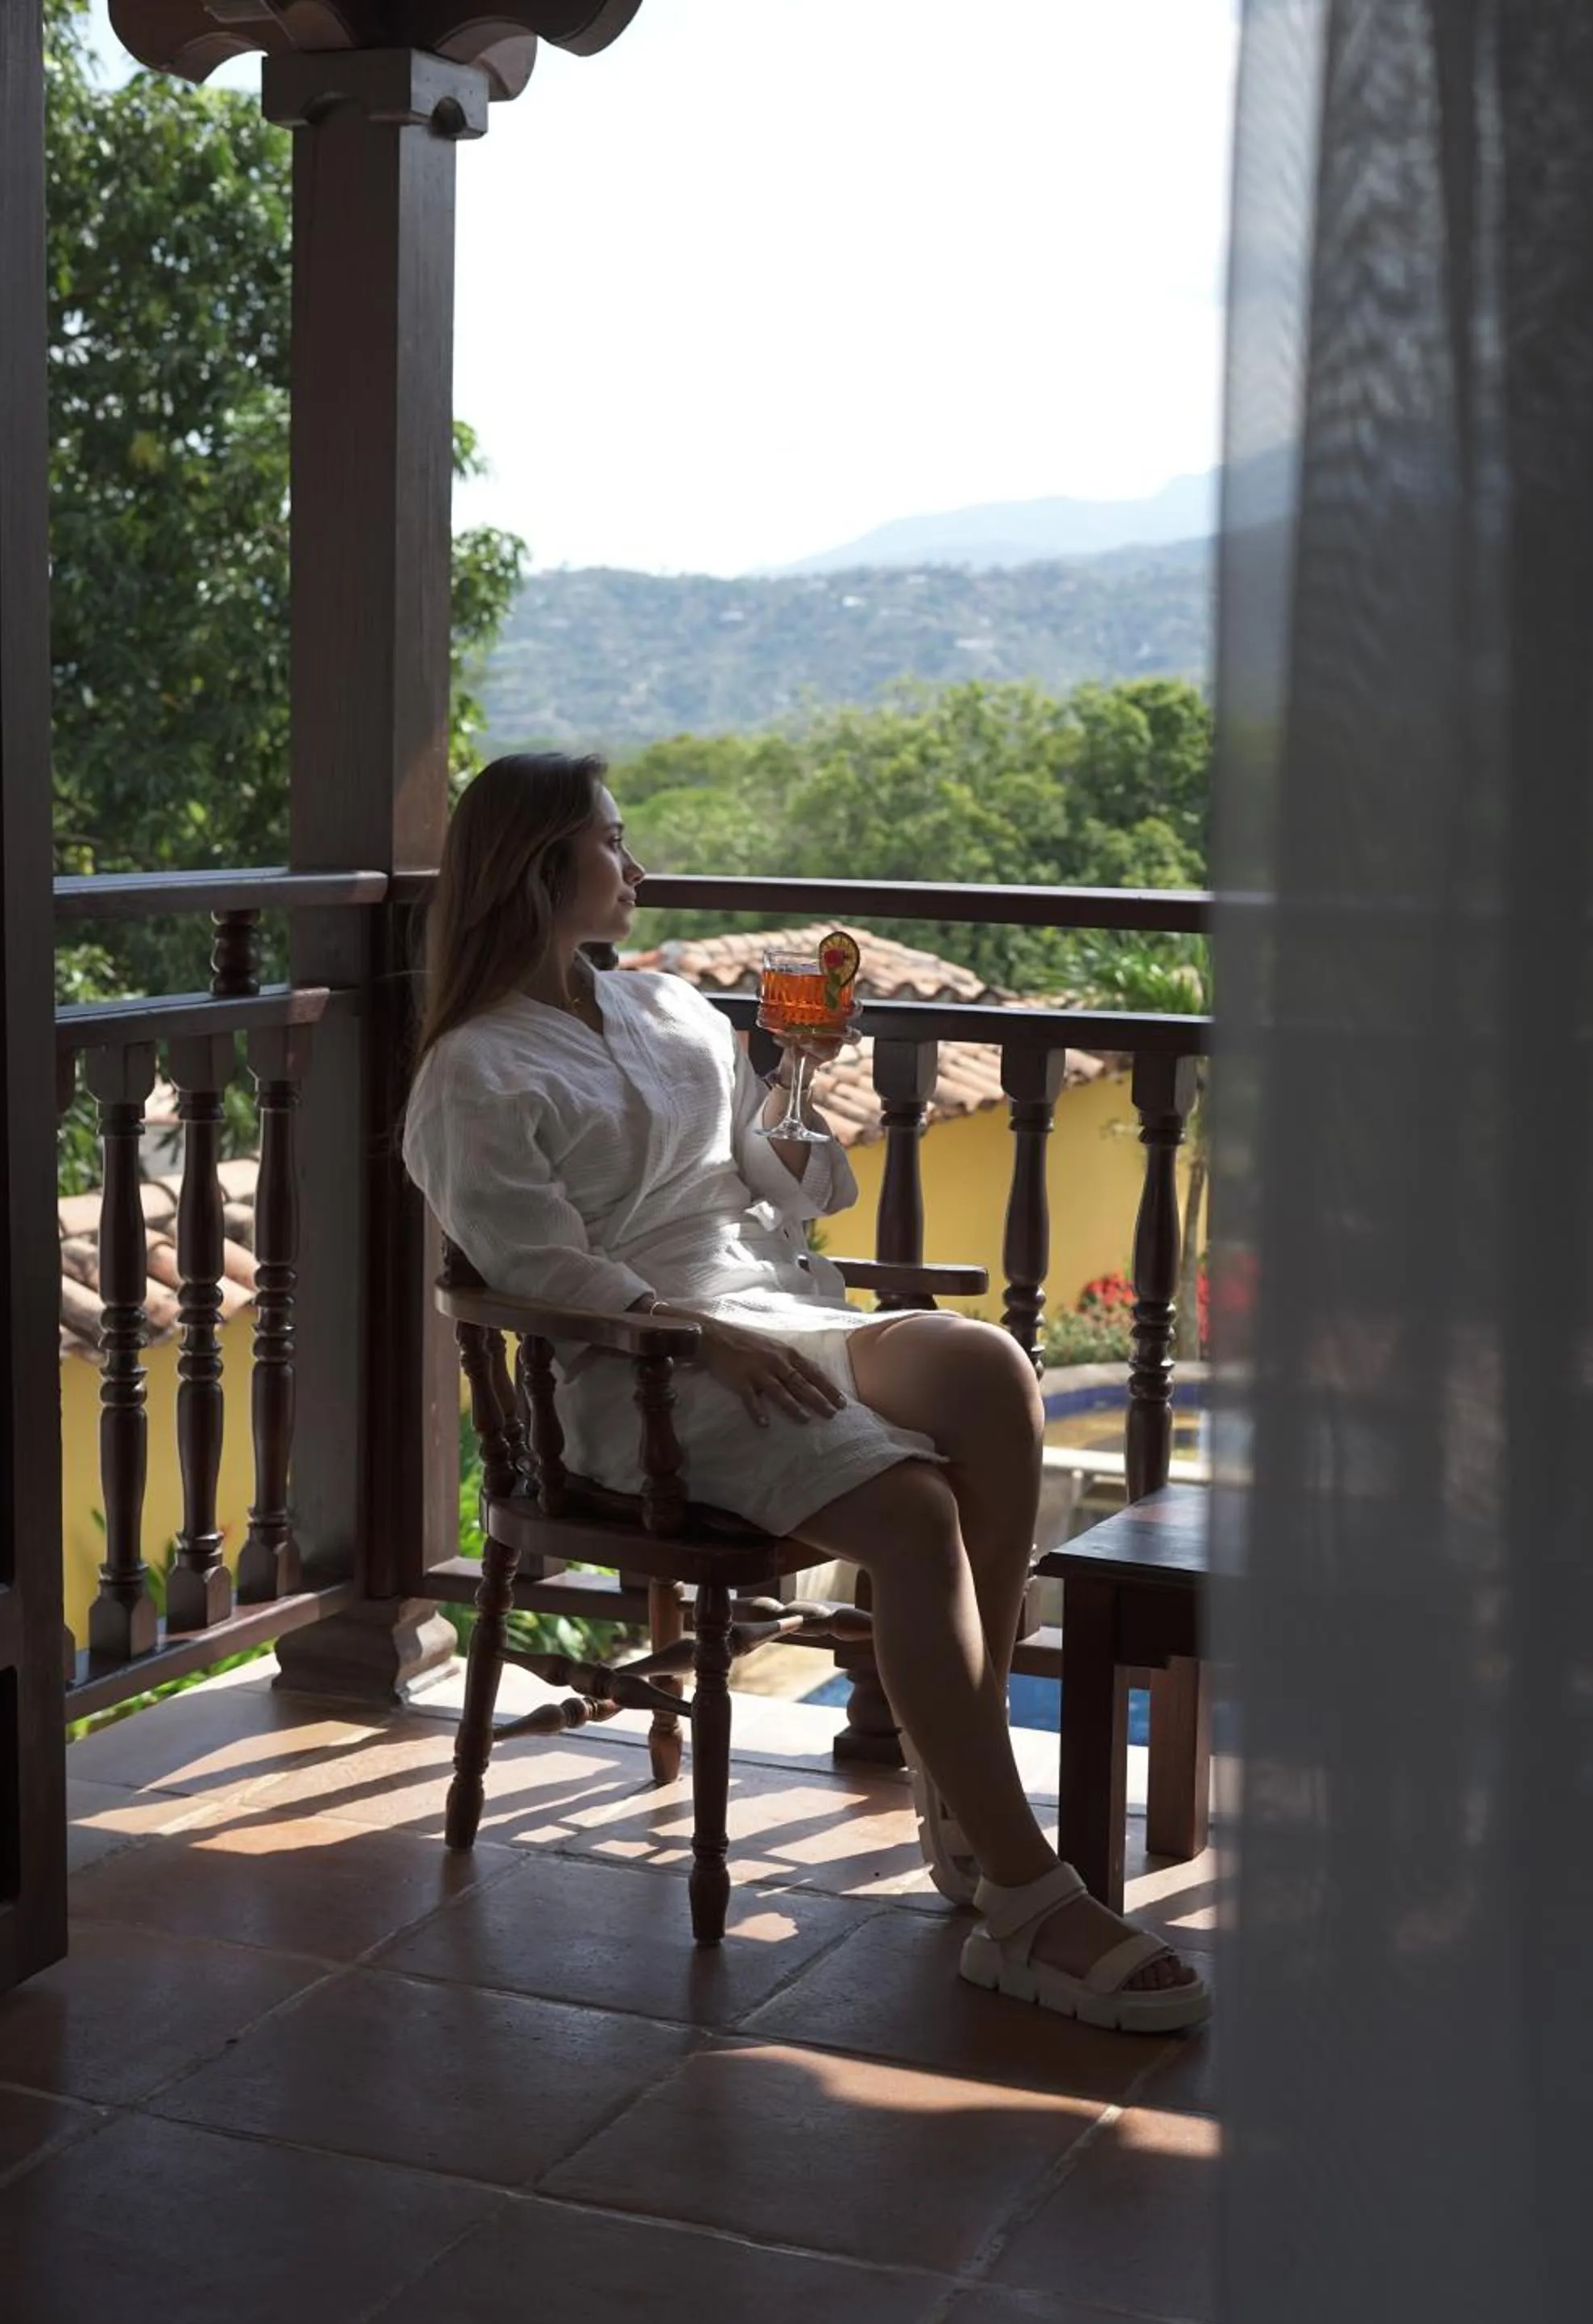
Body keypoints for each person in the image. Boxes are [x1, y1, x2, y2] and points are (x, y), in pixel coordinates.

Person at [404, 751, 1209, 2035]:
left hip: (768, 1313)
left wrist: (787, 1073)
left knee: (992, 1369)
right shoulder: (475, 1071)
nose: (640, 866)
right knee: (912, 1514)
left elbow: (774, 1189)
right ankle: (1022, 1897)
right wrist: (689, 1334)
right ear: (543, 866)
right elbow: (535, 1268)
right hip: (642, 1376)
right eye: (615, 842)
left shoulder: (665, 1011)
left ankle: (964, 1774)